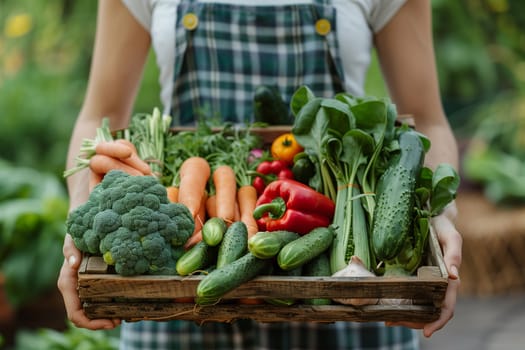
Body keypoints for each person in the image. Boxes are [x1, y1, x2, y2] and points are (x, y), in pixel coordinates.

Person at [58, 0, 462, 349]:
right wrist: (80, 223)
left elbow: (427, 122)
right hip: (178, 311)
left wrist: (442, 214)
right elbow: (99, 116)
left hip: (351, 303)